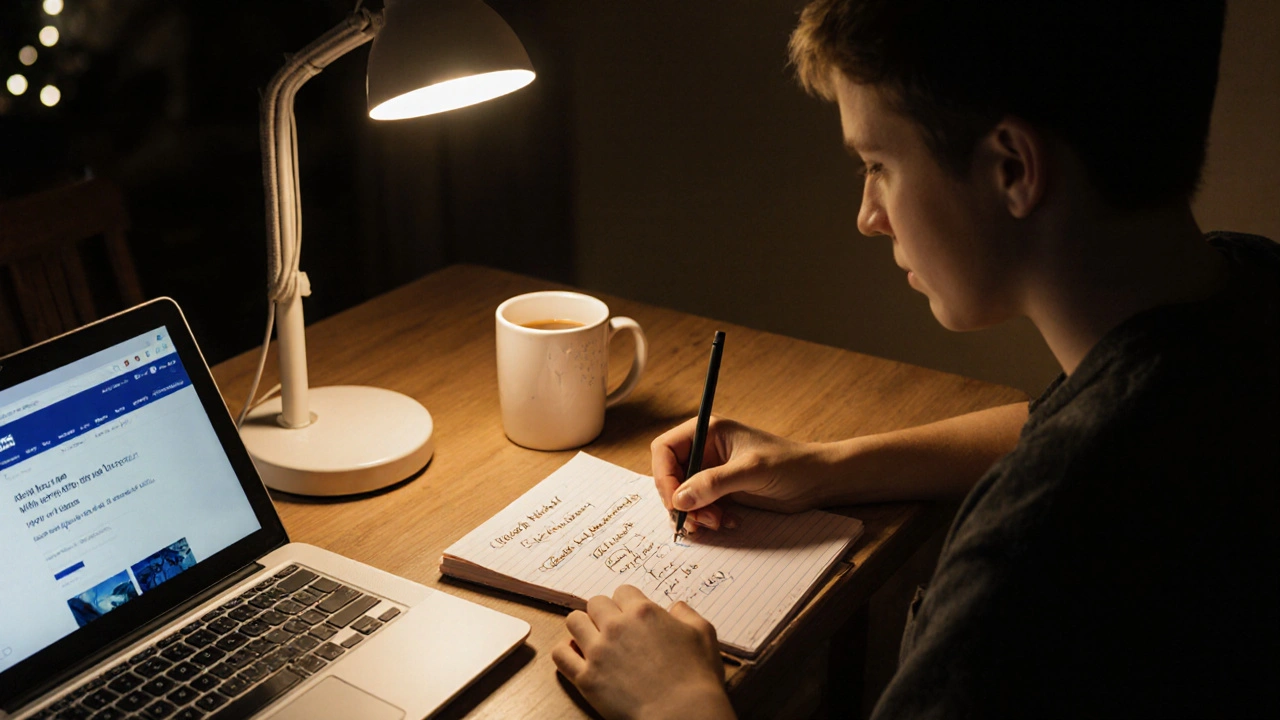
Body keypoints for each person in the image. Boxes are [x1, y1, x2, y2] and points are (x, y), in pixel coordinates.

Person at [551, 0, 1280, 717]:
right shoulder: (1244, 286)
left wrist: (678, 701)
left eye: (878, 163)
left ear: (1011, 167)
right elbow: (1091, 412)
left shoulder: (1030, 556)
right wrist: (830, 467)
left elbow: (1080, 459)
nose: (868, 216)